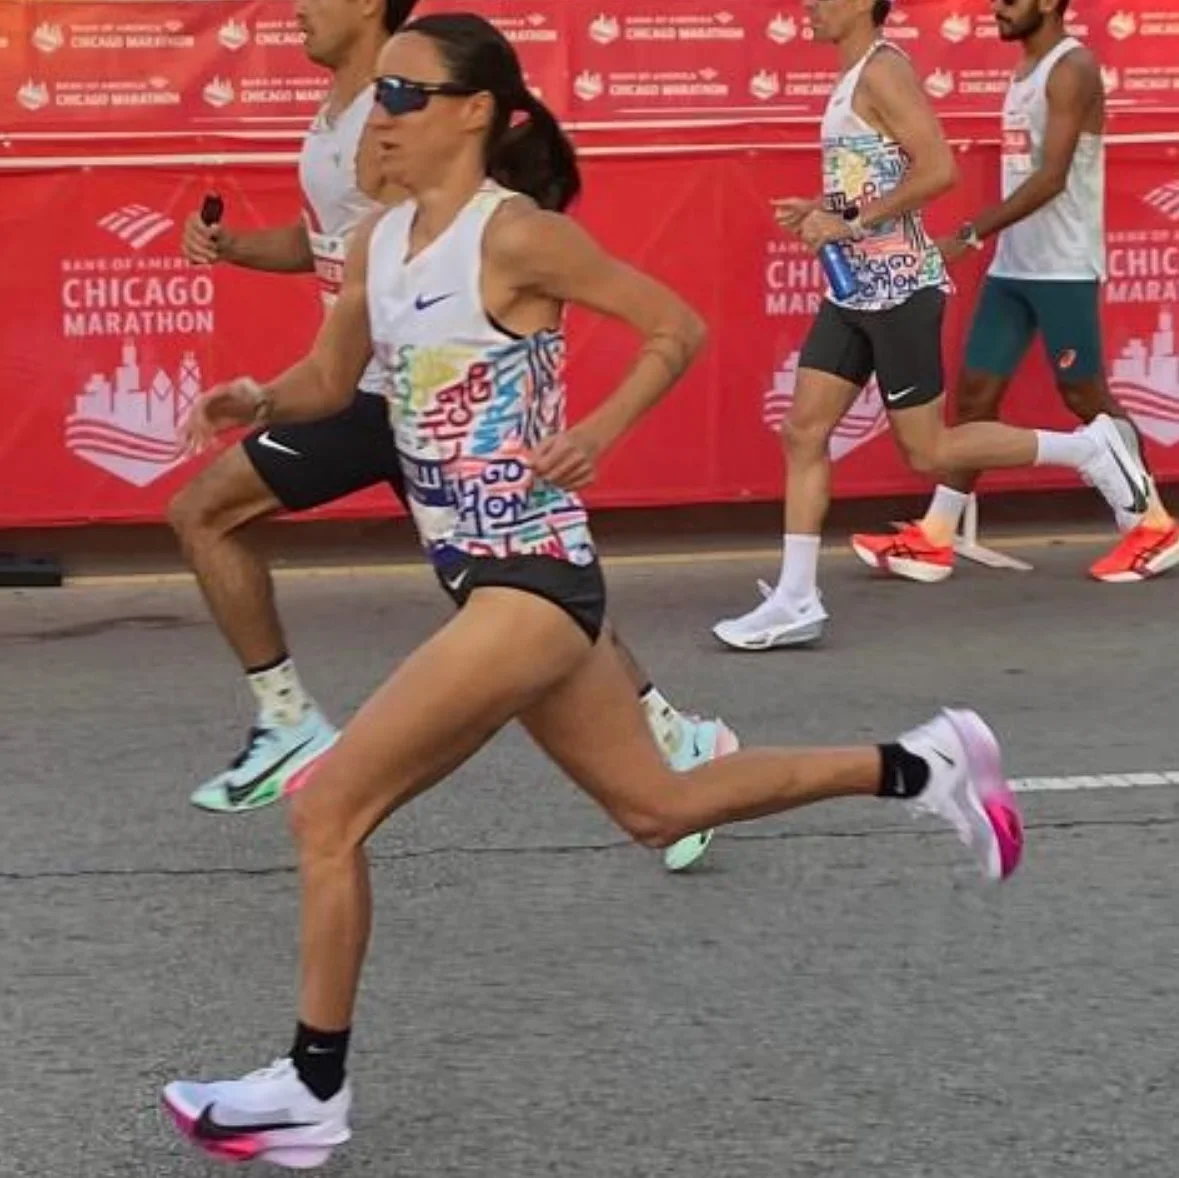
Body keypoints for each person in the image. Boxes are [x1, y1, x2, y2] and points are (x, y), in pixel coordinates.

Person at [160, 14, 1025, 1168]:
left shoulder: (518, 237)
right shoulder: (375, 243)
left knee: (328, 808)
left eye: (409, 95)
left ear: (477, 112)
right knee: (657, 808)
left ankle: (311, 1088)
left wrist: (604, 429)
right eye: (383, 94)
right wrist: (255, 397)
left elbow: (675, 324)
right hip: (478, 577)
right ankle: (922, 761)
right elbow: (331, 374)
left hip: (533, 573)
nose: (385, 114)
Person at [170, 0, 733, 873]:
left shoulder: (402, 125)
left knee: (215, 513)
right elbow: (335, 251)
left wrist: (594, 426)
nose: (296, 12)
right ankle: (674, 741)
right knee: (510, 592)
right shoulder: (341, 126)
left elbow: (656, 319)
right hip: (380, 390)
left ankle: (289, 722)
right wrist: (242, 269)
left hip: (394, 396)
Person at [712, 0, 1152, 652]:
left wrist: (851, 224)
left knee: (929, 453)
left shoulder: (884, 71)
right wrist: (825, 207)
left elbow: (938, 170)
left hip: (900, 291)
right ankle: (794, 599)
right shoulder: (852, 74)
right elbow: (876, 178)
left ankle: (1087, 449)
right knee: (803, 430)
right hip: (854, 289)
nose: (807, 6)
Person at [850, 0, 1179, 585]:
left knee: (1084, 396)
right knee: (975, 398)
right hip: (1015, 266)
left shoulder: (1071, 66)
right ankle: (937, 535)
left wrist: (970, 234)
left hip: (1064, 266)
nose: (998, 9)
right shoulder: (1025, 68)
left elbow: (1051, 177)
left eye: (1010, 0)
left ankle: (1152, 524)